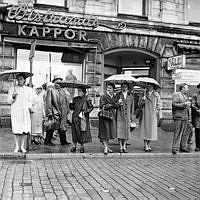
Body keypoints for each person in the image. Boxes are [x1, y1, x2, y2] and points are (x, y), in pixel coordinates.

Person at [7, 74, 33, 153]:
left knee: (24, 130)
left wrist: (28, 107)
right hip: (16, 111)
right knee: (16, 129)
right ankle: (16, 146)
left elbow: (31, 100)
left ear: (24, 80)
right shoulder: (13, 89)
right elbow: (8, 101)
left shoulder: (28, 89)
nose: (19, 81)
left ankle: (22, 146)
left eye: (21, 79)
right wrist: (13, 97)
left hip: (24, 112)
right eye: (18, 79)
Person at [44, 76, 70, 146]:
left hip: (63, 111)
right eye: (57, 82)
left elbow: (65, 101)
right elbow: (48, 101)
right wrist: (49, 112)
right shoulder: (51, 90)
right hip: (54, 111)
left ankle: (63, 141)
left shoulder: (62, 90)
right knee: (52, 126)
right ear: (54, 82)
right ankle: (47, 141)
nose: (59, 83)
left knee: (62, 126)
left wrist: (67, 110)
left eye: (60, 82)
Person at [138, 82, 161, 152]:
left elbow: (159, 104)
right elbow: (139, 105)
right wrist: (143, 100)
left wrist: (156, 111)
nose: (149, 87)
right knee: (145, 129)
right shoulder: (143, 94)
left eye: (150, 86)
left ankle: (149, 145)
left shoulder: (156, 95)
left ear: (153, 87)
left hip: (153, 115)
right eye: (148, 86)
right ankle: (145, 145)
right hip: (145, 114)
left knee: (151, 130)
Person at [70, 86, 93, 153]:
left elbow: (91, 107)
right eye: (78, 90)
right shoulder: (75, 99)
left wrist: (85, 112)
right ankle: (74, 145)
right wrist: (71, 103)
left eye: (80, 91)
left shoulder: (87, 99)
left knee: (82, 132)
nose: (79, 92)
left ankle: (82, 146)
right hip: (75, 117)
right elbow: (72, 108)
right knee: (74, 132)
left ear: (84, 92)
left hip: (82, 118)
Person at [98, 82, 118, 154]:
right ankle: (106, 147)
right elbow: (102, 105)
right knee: (105, 131)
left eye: (110, 88)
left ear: (113, 89)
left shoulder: (115, 97)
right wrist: (108, 105)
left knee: (109, 132)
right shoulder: (103, 96)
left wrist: (116, 104)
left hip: (112, 115)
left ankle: (107, 146)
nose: (108, 89)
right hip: (105, 116)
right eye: (108, 88)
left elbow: (116, 106)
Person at [172, 83, 191, 154]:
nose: (187, 89)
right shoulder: (177, 94)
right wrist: (184, 104)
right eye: (186, 88)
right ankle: (174, 148)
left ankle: (183, 147)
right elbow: (174, 104)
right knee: (177, 132)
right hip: (178, 116)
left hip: (185, 116)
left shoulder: (185, 96)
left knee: (185, 133)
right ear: (182, 88)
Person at [116, 82, 135, 153]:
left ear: (127, 88)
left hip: (127, 116)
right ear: (121, 88)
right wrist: (118, 103)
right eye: (123, 87)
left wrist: (131, 116)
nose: (124, 88)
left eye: (125, 87)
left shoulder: (130, 96)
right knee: (120, 131)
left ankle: (124, 146)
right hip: (119, 115)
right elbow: (114, 105)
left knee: (126, 132)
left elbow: (132, 107)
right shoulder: (118, 95)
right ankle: (120, 146)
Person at [191, 83, 200, 151]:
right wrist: (198, 111)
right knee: (198, 131)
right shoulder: (195, 95)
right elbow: (193, 105)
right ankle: (198, 146)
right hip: (197, 116)